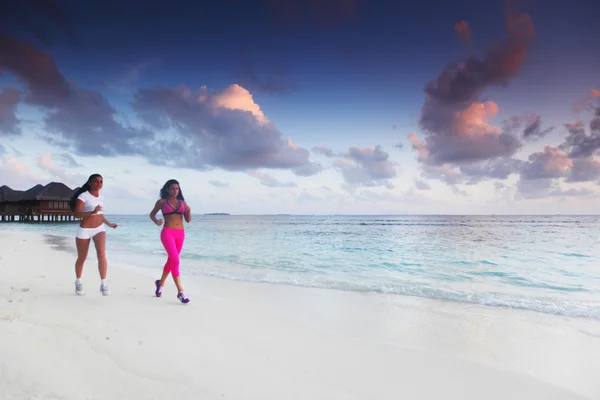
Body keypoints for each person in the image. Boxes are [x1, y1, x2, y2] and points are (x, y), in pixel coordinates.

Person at [69, 173, 118, 296]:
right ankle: (78, 282)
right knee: (82, 257)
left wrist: (108, 223)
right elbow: (77, 214)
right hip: (85, 230)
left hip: (99, 228)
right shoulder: (83, 196)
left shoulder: (101, 196)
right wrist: (92, 211)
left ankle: (103, 284)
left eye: (101, 182)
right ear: (90, 182)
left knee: (101, 253)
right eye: (96, 181)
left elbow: (100, 214)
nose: (99, 184)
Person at [149, 179, 192, 304]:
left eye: (177, 189)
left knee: (171, 260)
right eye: (173, 188)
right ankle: (180, 291)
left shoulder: (183, 202)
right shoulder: (162, 202)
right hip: (167, 233)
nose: (175, 191)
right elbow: (152, 214)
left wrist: (188, 210)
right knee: (176, 260)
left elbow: (188, 220)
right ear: (167, 189)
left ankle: (160, 283)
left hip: (180, 233)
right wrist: (156, 221)